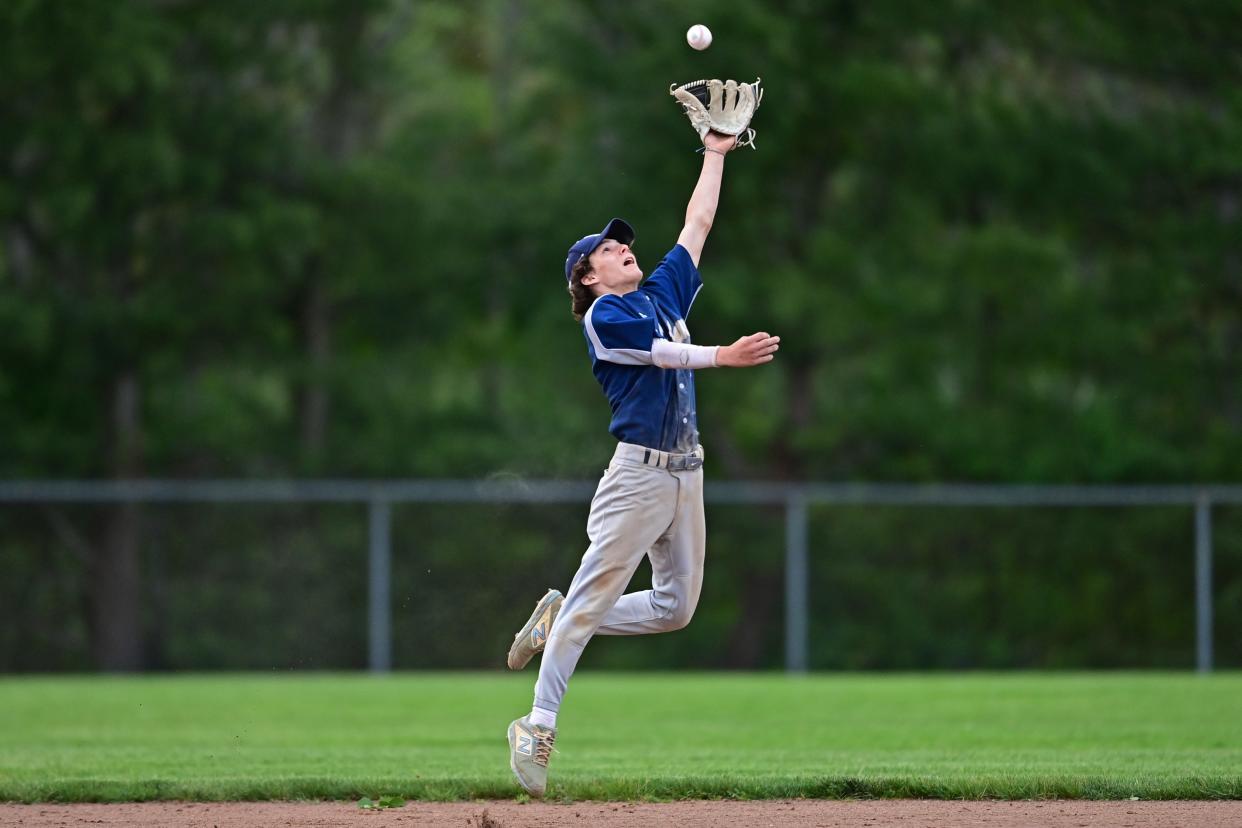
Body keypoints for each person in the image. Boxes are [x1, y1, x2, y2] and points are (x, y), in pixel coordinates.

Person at [505, 131, 780, 797]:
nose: (622, 247)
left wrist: (715, 151)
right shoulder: (605, 317)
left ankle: (562, 612)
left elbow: (699, 221)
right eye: (607, 247)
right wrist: (723, 356)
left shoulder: (659, 294)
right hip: (637, 479)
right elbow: (663, 355)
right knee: (599, 596)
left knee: (676, 608)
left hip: (687, 474)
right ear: (588, 276)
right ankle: (535, 725)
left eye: (621, 242)